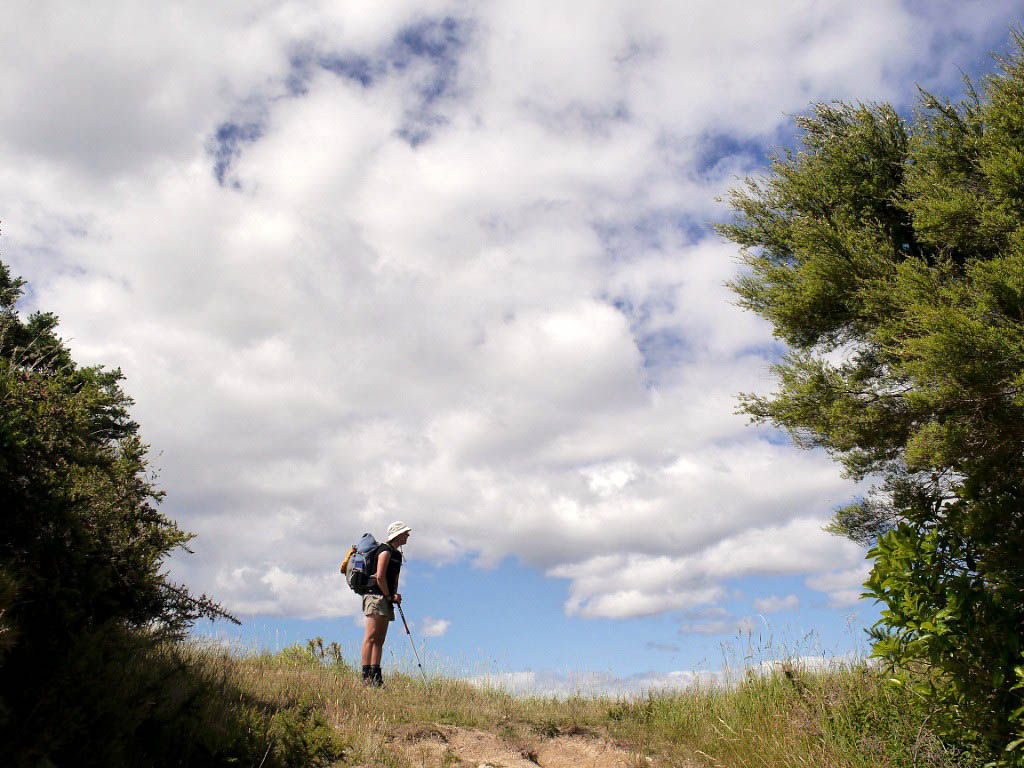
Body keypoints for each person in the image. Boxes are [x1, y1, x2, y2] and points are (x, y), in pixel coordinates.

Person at [360, 520, 411, 686]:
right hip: (375, 596)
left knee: (380, 639)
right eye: (405, 533)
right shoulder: (385, 551)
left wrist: (393, 596)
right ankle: (366, 675)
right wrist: (389, 596)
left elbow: (393, 578)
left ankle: (376, 675)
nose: (408, 535)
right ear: (398, 534)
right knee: (371, 636)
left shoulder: (397, 555)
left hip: (385, 598)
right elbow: (380, 576)